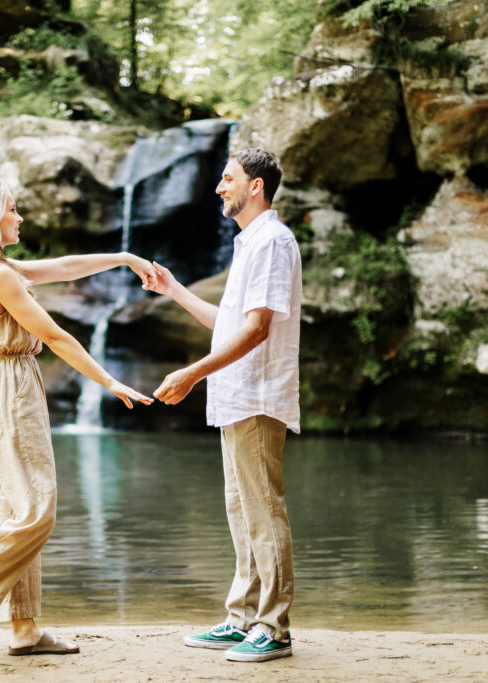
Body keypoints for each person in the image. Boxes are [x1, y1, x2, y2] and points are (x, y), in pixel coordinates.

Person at [0, 177, 154, 656]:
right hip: (12, 388)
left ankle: (23, 628)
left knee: (16, 509)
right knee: (36, 512)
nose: (19, 217)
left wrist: (124, 257)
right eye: (12, 208)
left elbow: (64, 267)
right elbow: (56, 336)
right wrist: (109, 381)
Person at [148, 149, 301, 663]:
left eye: (228, 178)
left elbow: (257, 330)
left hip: (257, 395)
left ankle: (273, 628)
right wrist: (173, 290)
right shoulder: (250, 242)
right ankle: (243, 618)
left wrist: (192, 373)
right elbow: (231, 322)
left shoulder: (273, 242)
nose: (219, 187)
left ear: (256, 186)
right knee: (242, 513)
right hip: (236, 397)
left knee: (263, 511)